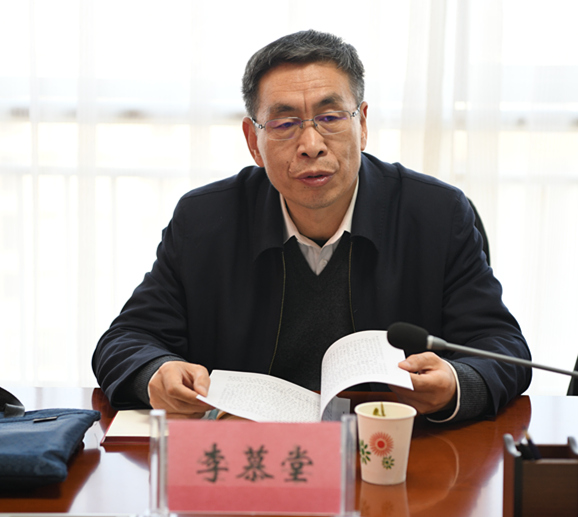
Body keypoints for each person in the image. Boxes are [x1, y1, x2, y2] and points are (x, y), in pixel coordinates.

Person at [92, 30, 531, 422]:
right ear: (254, 141)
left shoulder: (436, 214)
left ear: (362, 124)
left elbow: (501, 346)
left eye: (330, 117)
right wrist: (156, 373)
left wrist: (457, 382)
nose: (311, 145)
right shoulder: (205, 220)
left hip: (389, 456)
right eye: (285, 123)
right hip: (248, 461)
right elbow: (127, 339)